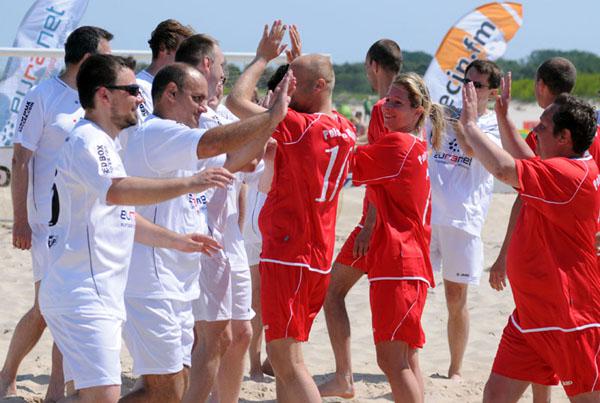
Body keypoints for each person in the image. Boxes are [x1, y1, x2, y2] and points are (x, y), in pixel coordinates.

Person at [39, 54, 233, 403]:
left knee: (142, 391)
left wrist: (176, 240)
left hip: (96, 291)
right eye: (131, 90)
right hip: (81, 292)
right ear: (103, 95)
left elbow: (124, 215)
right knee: (106, 395)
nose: (140, 97)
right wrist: (191, 182)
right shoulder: (90, 140)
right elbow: (119, 191)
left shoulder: (106, 141)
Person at [120, 61, 292, 403]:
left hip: (177, 280)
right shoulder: (158, 132)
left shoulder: (182, 138)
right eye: (197, 98)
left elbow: (235, 161)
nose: (204, 106)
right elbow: (215, 143)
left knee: (172, 387)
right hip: (152, 282)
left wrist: (271, 123)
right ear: (170, 94)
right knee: (165, 391)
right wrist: (271, 115)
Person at [226, 21, 356, 403]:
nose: (286, 87)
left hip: (289, 252)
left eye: (293, 82)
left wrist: (261, 58)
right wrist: (300, 65)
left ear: (317, 87)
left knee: (285, 359)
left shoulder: (300, 128)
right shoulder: (345, 128)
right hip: (315, 255)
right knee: (288, 360)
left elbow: (236, 101)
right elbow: (317, 91)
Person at [458, 81, 600, 401]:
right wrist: (504, 118)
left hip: (569, 317)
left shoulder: (569, 175)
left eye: (543, 127)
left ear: (564, 138)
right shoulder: (562, 166)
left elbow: (503, 169)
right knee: (495, 396)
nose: (536, 131)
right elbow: (525, 160)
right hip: (530, 315)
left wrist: (470, 126)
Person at [2, 26, 113, 401]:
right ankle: (8, 376)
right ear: (87, 59)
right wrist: (20, 220)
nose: (111, 63)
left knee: (71, 308)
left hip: (85, 222)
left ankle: (56, 389)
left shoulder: (97, 99)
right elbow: (20, 159)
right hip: (46, 224)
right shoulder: (43, 96)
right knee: (46, 309)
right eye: (105, 56)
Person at [351, 72, 444, 403]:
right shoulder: (415, 144)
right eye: (387, 100)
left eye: (397, 103)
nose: (387, 108)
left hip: (398, 263)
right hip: (410, 262)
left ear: (418, 111)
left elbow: (347, 162)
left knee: (392, 361)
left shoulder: (399, 144)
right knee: (406, 358)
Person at [319, 38, 401, 399]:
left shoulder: (384, 108)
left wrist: (369, 224)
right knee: (400, 321)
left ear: (373, 65)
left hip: (378, 222)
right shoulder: (408, 107)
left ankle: (344, 376)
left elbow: (383, 173)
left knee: (333, 292)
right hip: (400, 222)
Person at [428, 59, 501, 381]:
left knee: (455, 298)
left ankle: (455, 369)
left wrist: (462, 120)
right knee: (412, 289)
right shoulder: (442, 115)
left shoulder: (494, 125)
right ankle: (405, 361)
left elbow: (473, 150)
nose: (469, 89)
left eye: (478, 85)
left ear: (492, 93)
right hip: (427, 216)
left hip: (463, 221)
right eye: (466, 82)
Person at [136, 19, 194, 118]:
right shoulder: (139, 87)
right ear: (163, 48)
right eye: (182, 52)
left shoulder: (179, 90)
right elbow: (145, 125)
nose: (187, 58)